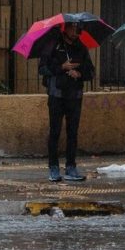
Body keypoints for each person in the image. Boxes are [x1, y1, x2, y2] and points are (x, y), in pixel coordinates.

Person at [39, 22, 95, 182]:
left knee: (73, 132)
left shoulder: (81, 47)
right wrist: (61, 67)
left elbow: (90, 71)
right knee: (55, 131)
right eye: (73, 27)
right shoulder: (53, 45)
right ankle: (53, 167)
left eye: (78, 29)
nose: (76, 31)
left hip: (75, 95)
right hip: (56, 95)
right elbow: (42, 68)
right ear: (66, 28)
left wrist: (79, 73)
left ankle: (71, 166)